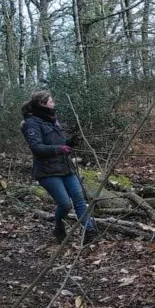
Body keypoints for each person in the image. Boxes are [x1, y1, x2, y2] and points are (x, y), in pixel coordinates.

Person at [20, 90, 98, 244]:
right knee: (65, 204)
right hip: (47, 171)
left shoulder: (53, 120)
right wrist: (59, 149)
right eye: (51, 101)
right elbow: (37, 148)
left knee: (79, 200)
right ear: (43, 104)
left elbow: (61, 142)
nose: (53, 104)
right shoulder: (32, 123)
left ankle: (89, 232)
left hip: (66, 168)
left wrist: (70, 142)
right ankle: (58, 225)